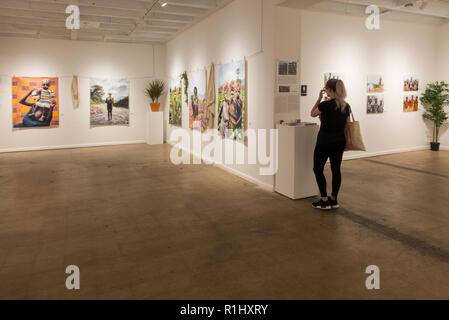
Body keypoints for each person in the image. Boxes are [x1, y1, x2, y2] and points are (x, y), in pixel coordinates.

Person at [310, 79, 350, 210]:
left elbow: (312, 113)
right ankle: (334, 199)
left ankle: (324, 199)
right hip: (339, 142)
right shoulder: (345, 106)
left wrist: (319, 98)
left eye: (325, 88)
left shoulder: (325, 105)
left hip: (325, 141)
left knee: (317, 169)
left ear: (330, 90)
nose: (325, 90)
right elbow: (346, 124)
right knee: (336, 169)